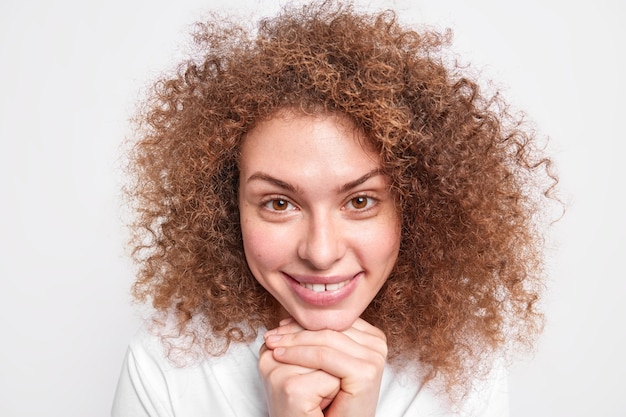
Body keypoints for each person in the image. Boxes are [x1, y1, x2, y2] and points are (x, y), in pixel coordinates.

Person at [112, 1, 559, 415]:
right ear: (226, 210)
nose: (321, 253)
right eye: (280, 203)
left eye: (360, 201)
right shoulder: (166, 366)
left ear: (415, 208)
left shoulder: (463, 373)